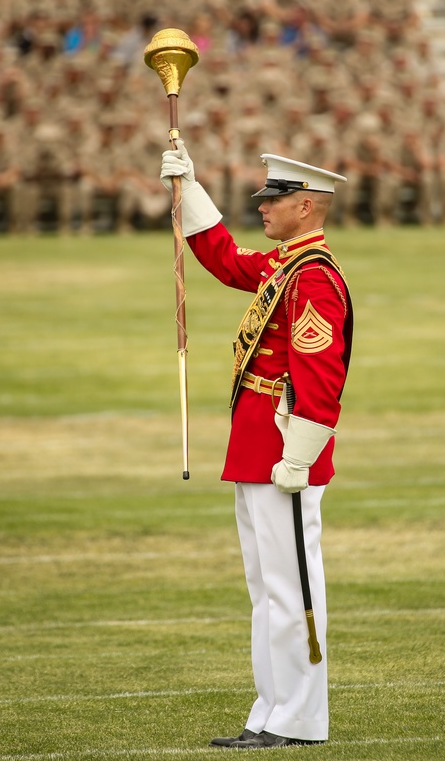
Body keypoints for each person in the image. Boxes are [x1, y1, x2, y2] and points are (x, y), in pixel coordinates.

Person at [159, 143, 352, 750]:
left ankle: (297, 719)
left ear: (306, 206)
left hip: (283, 451)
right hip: (258, 445)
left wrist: (298, 457)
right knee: (267, 588)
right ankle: (271, 710)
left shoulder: (314, 279)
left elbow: (322, 375)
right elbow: (222, 258)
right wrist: (187, 186)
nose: (264, 209)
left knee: (290, 588)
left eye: (274, 201)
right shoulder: (285, 268)